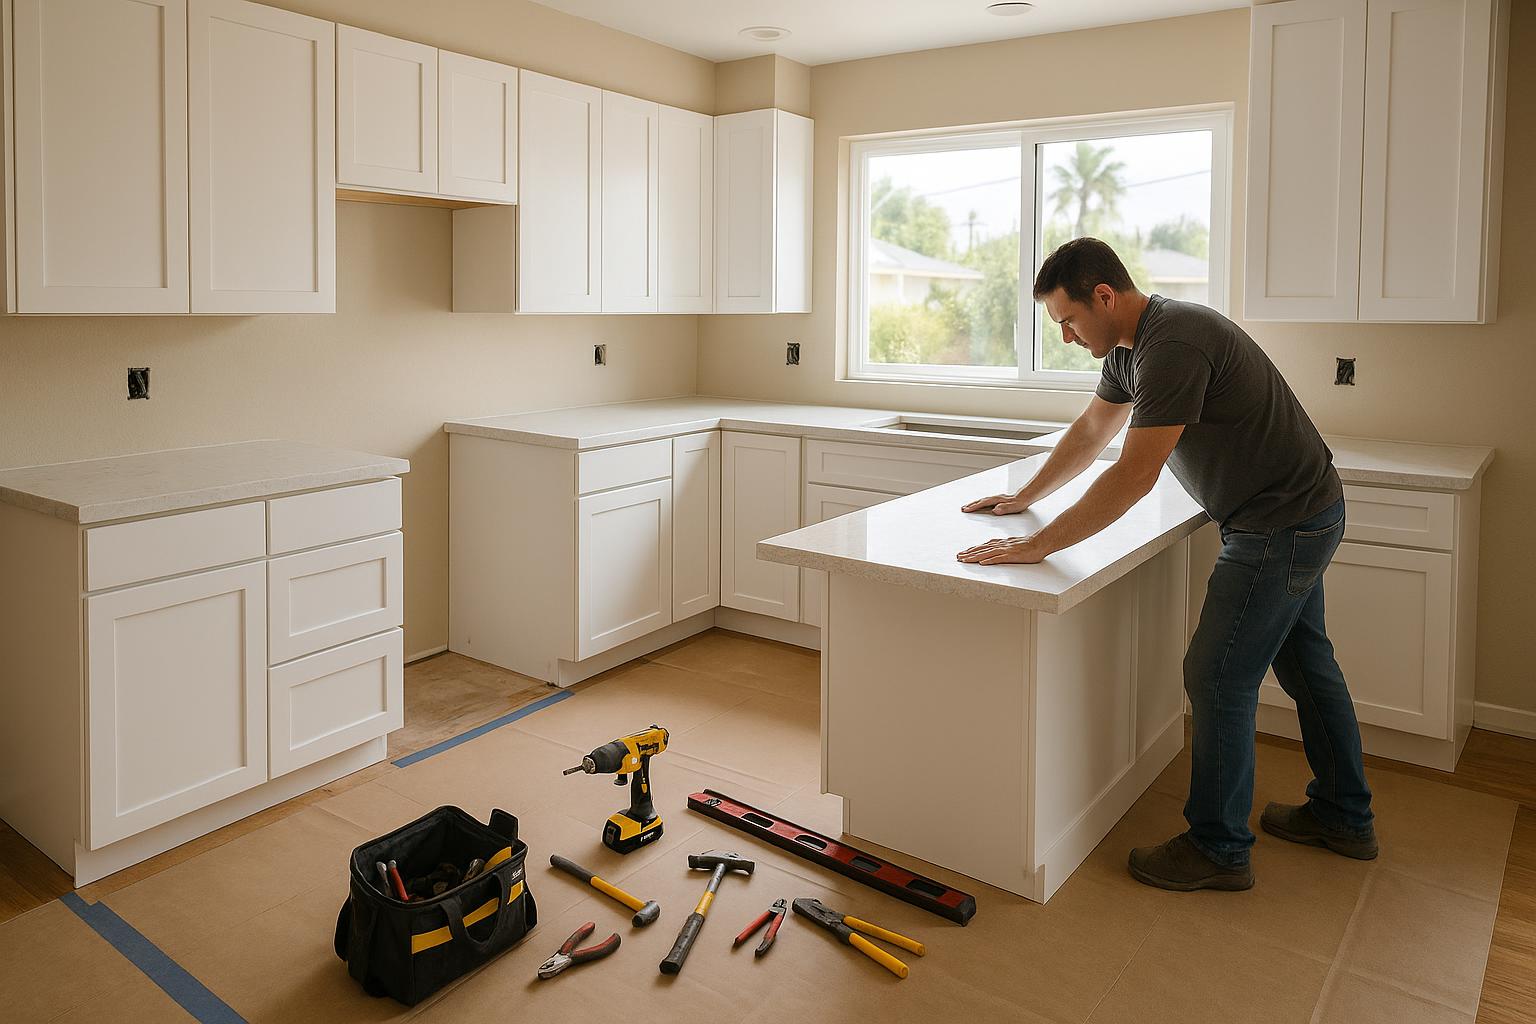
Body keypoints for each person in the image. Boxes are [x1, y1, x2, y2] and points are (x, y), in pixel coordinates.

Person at [958, 237, 1376, 892]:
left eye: (1068, 320)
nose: (1066, 337)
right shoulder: (1129, 350)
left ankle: (1219, 847)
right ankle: (1344, 816)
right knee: (1304, 663)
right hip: (1295, 511)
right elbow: (1094, 431)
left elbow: (1133, 475)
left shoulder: (1173, 342)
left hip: (1280, 522)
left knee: (1215, 677)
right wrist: (1025, 498)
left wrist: (1040, 546)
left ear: (1104, 296)